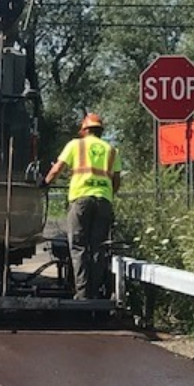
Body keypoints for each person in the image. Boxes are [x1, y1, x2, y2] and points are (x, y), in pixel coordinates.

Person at [41, 113, 121, 300]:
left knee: (78, 247)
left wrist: (44, 183)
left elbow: (57, 169)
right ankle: (94, 294)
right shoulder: (111, 150)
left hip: (81, 201)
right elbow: (116, 182)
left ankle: (82, 294)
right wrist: (106, 193)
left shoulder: (75, 145)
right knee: (98, 247)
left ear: (84, 130)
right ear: (101, 131)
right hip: (103, 201)